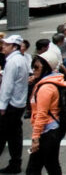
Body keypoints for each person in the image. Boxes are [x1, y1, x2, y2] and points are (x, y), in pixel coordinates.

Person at [26, 49, 66, 175]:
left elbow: (41, 114)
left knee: (33, 169)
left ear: (46, 68)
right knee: (52, 165)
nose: (33, 70)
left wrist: (35, 138)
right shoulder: (51, 81)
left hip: (47, 132)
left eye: (36, 67)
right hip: (53, 129)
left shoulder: (46, 88)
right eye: (32, 67)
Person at [0, 35, 28, 174]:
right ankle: (15, 162)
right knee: (14, 134)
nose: (3, 46)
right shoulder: (21, 59)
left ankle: (15, 163)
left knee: (4, 134)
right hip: (19, 103)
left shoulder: (12, 62)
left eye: (7, 45)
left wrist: (2, 106)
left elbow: (7, 86)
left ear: (14, 46)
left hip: (11, 104)